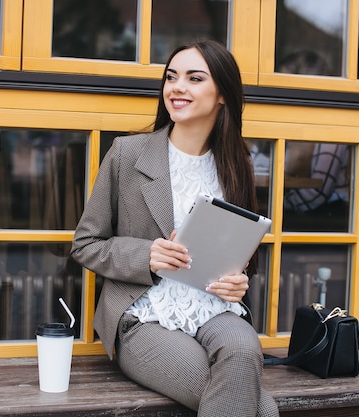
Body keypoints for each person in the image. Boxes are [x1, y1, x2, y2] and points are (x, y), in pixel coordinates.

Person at [70, 40, 279, 416]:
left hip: (214, 309)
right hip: (143, 314)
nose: (177, 87)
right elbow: (85, 244)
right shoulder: (127, 154)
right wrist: (146, 255)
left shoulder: (236, 166)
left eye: (194, 78)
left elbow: (240, 255)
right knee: (262, 410)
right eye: (171, 77)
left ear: (222, 97)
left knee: (245, 347)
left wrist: (238, 280)